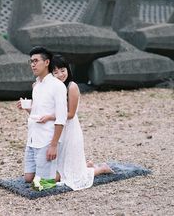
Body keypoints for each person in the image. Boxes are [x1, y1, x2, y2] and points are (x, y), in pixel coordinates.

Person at [38, 54, 113, 190]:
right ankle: (86, 165)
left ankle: (101, 169)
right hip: (57, 130)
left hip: (69, 130)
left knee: (72, 177)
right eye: (55, 72)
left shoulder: (71, 87)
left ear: (68, 70)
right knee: (56, 168)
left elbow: (71, 114)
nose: (60, 74)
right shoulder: (53, 88)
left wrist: (50, 117)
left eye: (63, 70)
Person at [17, 46, 68, 183]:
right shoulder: (36, 85)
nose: (33, 64)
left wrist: (53, 145)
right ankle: (55, 171)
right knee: (28, 179)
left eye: (36, 61)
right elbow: (36, 112)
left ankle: (69, 173)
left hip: (47, 139)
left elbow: (62, 118)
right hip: (33, 138)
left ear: (46, 62)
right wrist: (26, 108)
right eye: (31, 61)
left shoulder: (57, 86)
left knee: (42, 185)